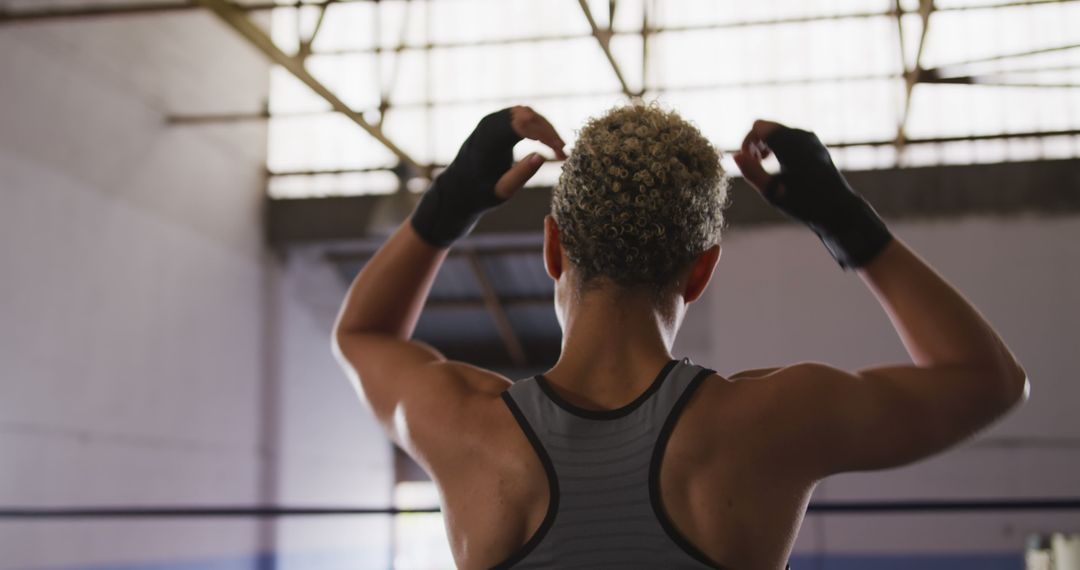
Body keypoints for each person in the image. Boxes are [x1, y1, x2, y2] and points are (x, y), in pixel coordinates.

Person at [331, 104, 1029, 569]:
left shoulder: (467, 426)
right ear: (700, 272)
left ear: (553, 249)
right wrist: (845, 221)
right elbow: (988, 381)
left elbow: (362, 332)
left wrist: (450, 204)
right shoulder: (767, 424)